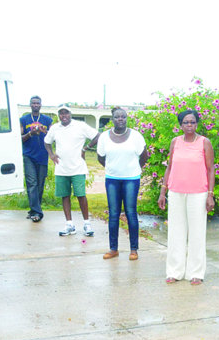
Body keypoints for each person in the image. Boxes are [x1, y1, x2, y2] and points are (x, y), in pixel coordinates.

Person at [157, 109, 215, 285]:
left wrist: (210, 195)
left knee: (197, 233)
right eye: (186, 122)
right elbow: (169, 167)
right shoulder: (175, 142)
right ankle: (174, 271)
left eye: (192, 122)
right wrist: (163, 192)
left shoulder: (205, 143)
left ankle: (196, 272)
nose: (189, 125)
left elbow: (211, 169)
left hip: (198, 193)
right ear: (180, 125)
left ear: (197, 123)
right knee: (176, 232)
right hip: (176, 192)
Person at [97, 107, 148, 261]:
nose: (120, 119)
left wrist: (133, 169)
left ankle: (134, 249)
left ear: (126, 119)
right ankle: (113, 249)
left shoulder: (136, 136)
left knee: (131, 213)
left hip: (131, 179)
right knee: (113, 213)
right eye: (117, 117)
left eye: (123, 117)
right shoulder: (104, 137)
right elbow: (101, 157)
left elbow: (144, 156)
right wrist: (113, 168)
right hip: (112, 179)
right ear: (112, 119)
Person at [44, 105, 100, 237]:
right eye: (61, 114)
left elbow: (97, 136)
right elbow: (47, 142)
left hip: (78, 168)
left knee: (81, 195)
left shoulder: (80, 126)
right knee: (65, 196)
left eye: (66, 113)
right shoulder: (54, 128)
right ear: (59, 115)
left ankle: (87, 224)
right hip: (61, 169)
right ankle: (69, 225)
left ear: (71, 114)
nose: (64, 116)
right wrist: (51, 154)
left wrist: (85, 148)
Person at [20, 96, 53, 222]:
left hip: (42, 156)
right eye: (33, 103)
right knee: (32, 183)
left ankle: (34, 210)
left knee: (39, 185)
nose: (35, 105)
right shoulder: (24, 119)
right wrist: (30, 134)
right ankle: (37, 213)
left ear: (40, 105)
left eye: (37, 103)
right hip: (28, 155)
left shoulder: (47, 119)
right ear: (30, 105)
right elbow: (20, 138)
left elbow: (52, 136)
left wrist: (45, 131)